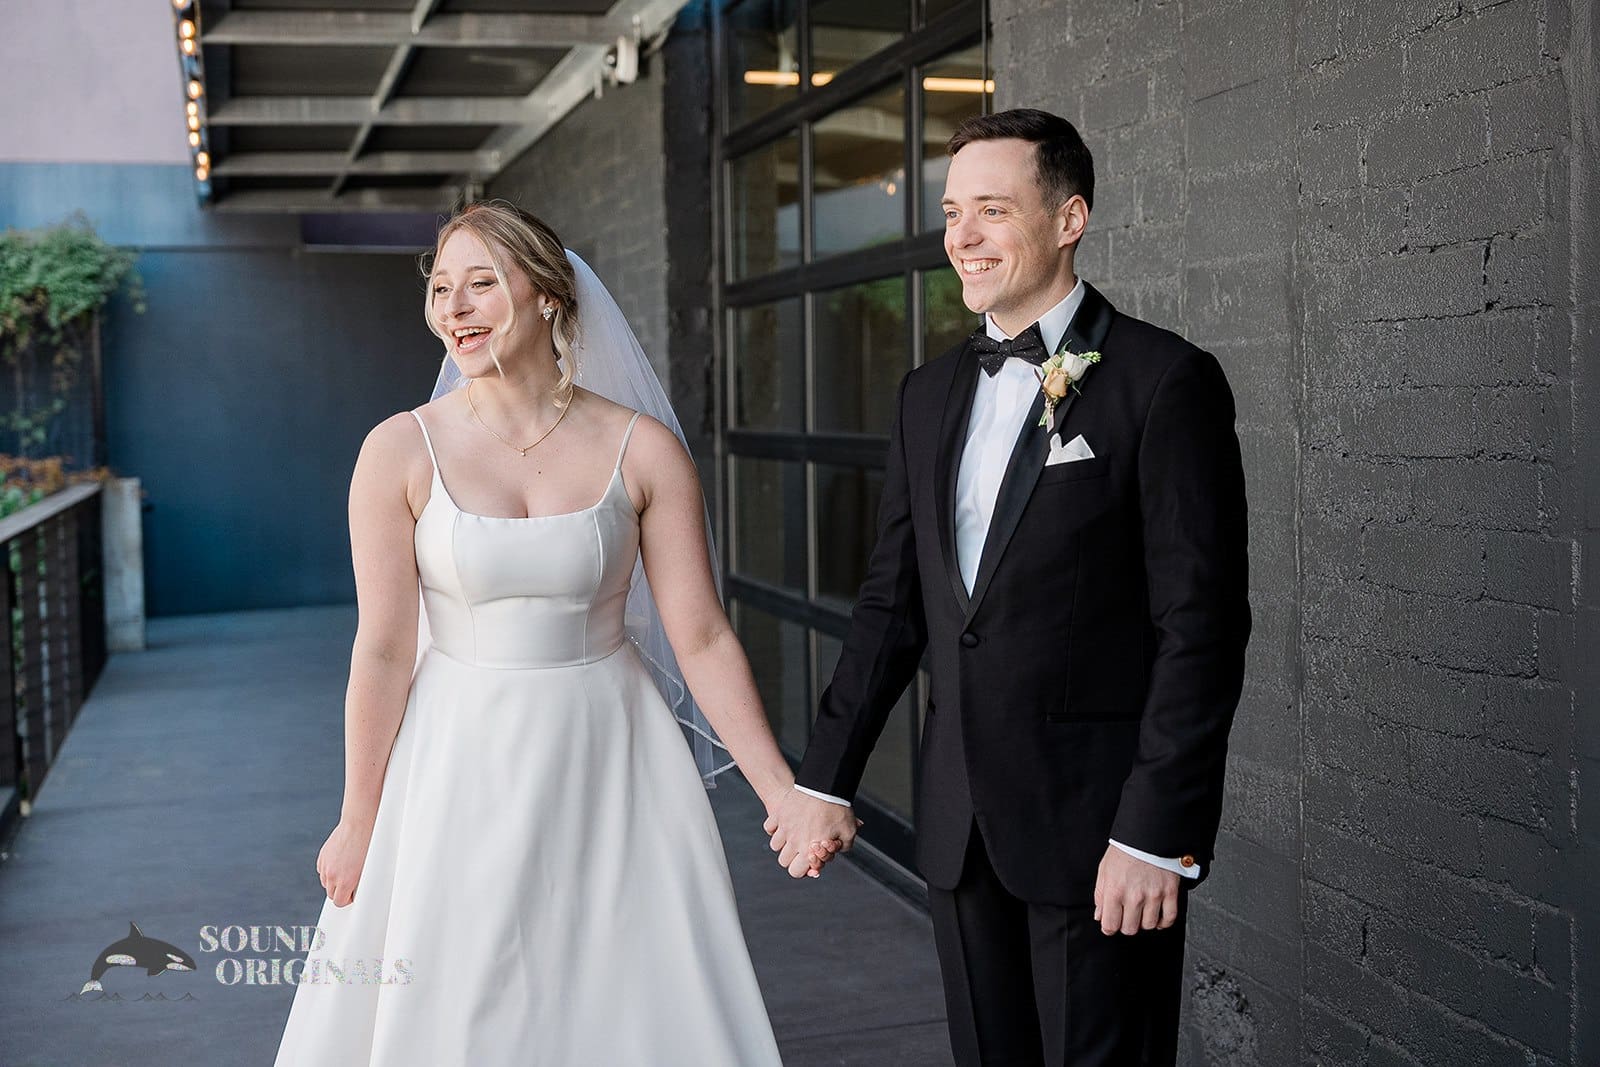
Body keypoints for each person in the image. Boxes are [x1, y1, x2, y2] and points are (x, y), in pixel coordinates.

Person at [274, 200, 836, 1064]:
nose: (455, 308)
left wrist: (781, 792)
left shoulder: (643, 449)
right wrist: (358, 818)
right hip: (457, 759)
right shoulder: (398, 450)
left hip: (614, 754)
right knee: (466, 993)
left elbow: (701, 635)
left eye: (481, 283)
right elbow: (382, 650)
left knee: (624, 990)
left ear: (547, 294)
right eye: (441, 288)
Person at [767, 108, 1252, 1065]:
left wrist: (1155, 834)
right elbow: (891, 606)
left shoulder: (1165, 381)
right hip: (960, 828)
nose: (963, 237)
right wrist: (824, 777)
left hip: (1101, 836)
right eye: (954, 213)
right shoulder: (926, 394)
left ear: (1069, 219)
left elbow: (1200, 628)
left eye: (992, 210)